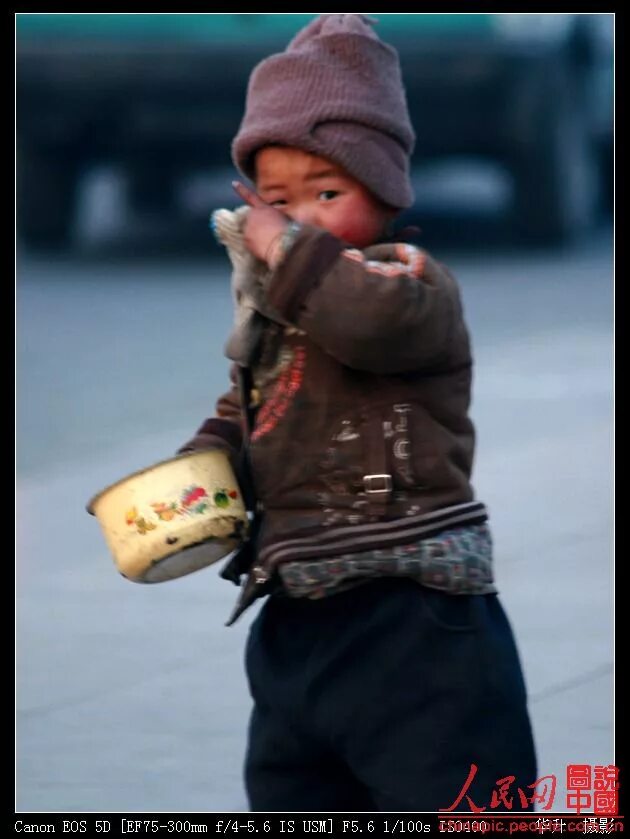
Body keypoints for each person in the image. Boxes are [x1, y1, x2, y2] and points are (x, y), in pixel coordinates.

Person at [179, 13, 538, 813]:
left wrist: (281, 248)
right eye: (277, 200)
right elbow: (253, 401)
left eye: (327, 193)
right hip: (299, 611)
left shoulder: (407, 283)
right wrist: (205, 461)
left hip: (414, 614)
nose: (299, 218)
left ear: (384, 191)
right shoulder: (286, 304)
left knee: (457, 800)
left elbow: (367, 324)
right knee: (294, 789)